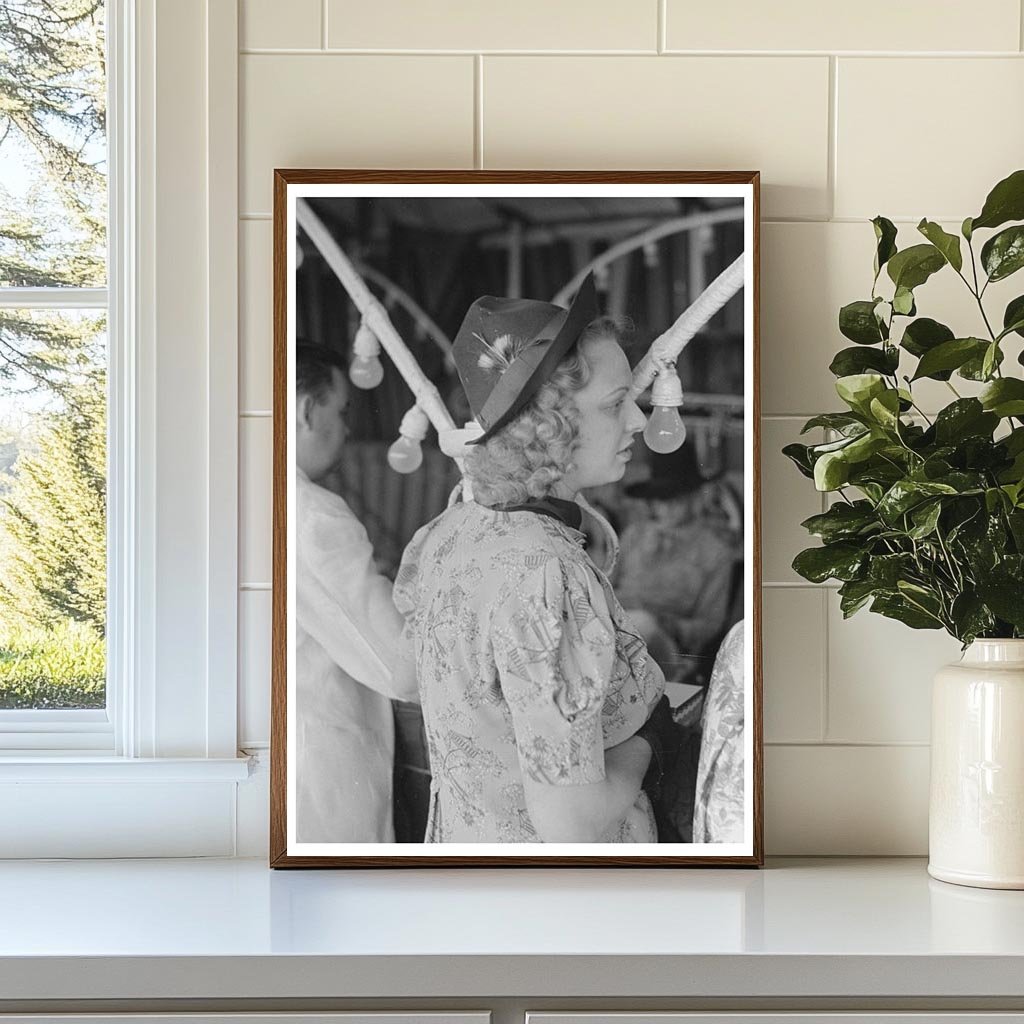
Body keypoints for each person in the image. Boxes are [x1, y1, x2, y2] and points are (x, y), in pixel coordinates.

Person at [393, 275, 678, 844]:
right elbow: (572, 826)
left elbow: (418, 684)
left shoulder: (450, 532)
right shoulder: (547, 572)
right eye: (616, 404)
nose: (639, 422)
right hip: (562, 906)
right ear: (548, 427)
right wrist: (651, 737)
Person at [294, 343, 418, 843]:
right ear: (307, 411)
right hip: (319, 784)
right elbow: (401, 666)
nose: (347, 430)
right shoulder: (311, 515)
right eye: (341, 412)